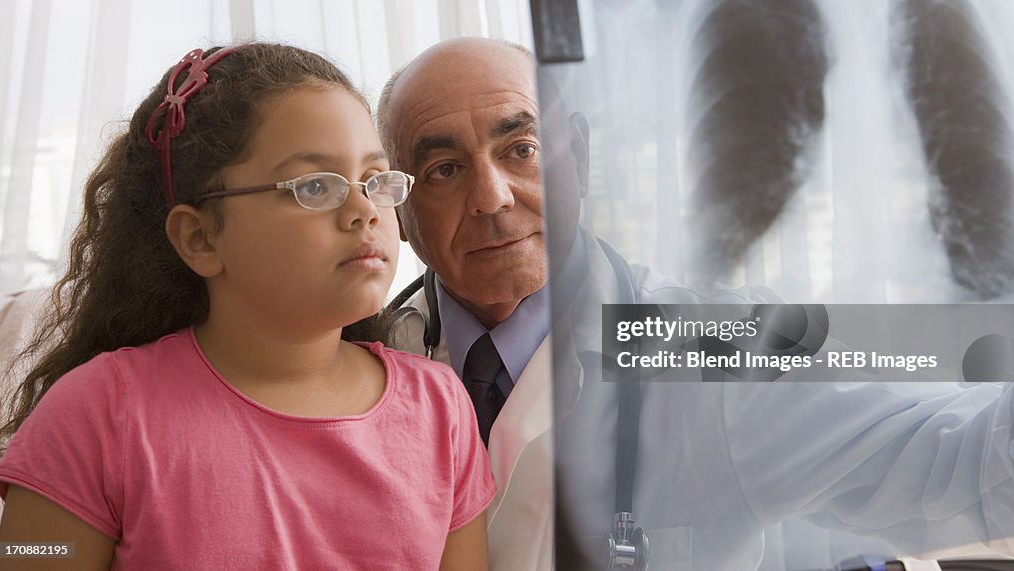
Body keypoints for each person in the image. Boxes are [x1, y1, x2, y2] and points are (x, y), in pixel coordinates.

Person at [376, 37, 1014, 570]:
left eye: (522, 149)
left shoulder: (721, 352)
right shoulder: (355, 357)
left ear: (583, 155)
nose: (492, 198)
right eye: (444, 170)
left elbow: (960, 464)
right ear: (395, 206)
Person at [0, 42, 495, 570]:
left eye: (375, 180)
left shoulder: (442, 409)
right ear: (200, 237)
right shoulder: (91, 415)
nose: (364, 210)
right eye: (315, 186)